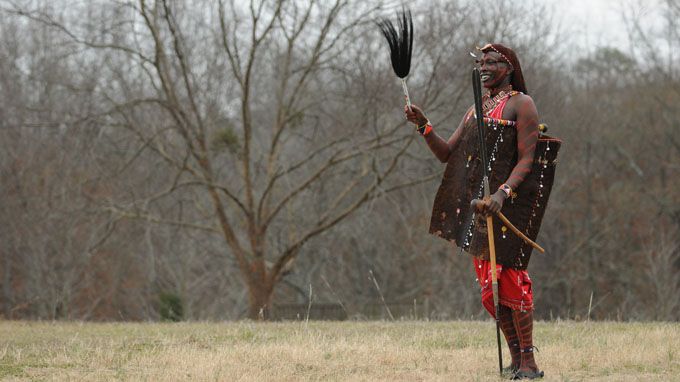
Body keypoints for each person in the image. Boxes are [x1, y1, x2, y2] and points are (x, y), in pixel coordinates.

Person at [405, 43, 545, 380]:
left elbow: (528, 157)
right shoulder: (477, 108)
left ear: (508, 66)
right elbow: (447, 154)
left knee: (512, 282)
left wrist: (502, 192)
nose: (483, 66)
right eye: (480, 62)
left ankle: (530, 363)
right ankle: (516, 360)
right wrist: (424, 126)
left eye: (491, 61)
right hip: (480, 211)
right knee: (491, 288)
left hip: (508, 208)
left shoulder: (521, 104)